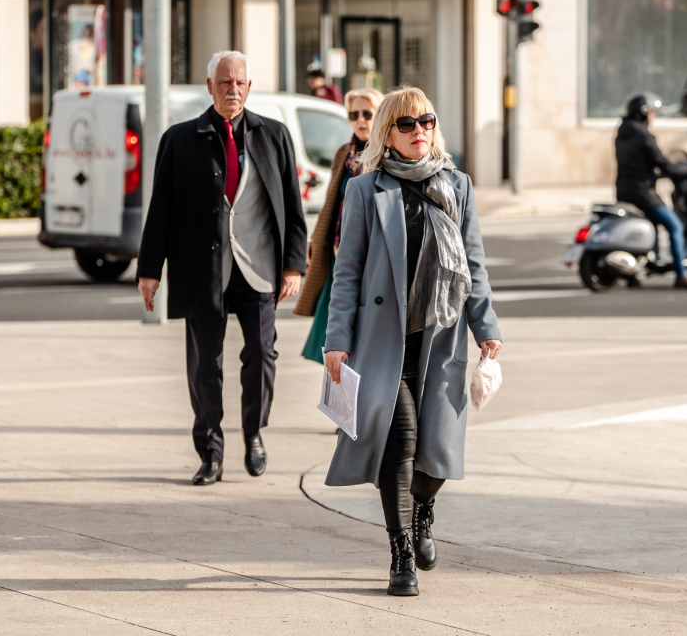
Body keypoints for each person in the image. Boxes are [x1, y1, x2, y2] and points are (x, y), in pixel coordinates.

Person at [322, 87, 502, 597]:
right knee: (398, 446)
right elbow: (347, 272)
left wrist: (486, 328)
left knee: (437, 452)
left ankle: (423, 510)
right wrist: (337, 339)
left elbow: (474, 265)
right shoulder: (365, 189)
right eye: (406, 124)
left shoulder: (458, 186)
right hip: (384, 343)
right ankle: (400, 553)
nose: (419, 130)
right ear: (387, 132)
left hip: (440, 339)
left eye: (426, 121)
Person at [137, 51, 307, 485]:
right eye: (225, 83)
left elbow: (291, 206)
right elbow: (161, 210)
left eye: (240, 83)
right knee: (204, 366)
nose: (233, 90)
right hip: (203, 269)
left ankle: (254, 432)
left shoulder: (275, 136)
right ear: (210, 87)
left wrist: (292, 265)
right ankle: (210, 451)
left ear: (250, 88)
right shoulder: (180, 139)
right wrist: (150, 269)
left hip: (259, 269)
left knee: (262, 355)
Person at [295, 87, 384, 361]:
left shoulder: (387, 154)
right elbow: (331, 204)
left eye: (367, 114)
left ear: (380, 115)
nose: (360, 120)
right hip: (339, 252)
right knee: (333, 331)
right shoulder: (344, 154)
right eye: (353, 114)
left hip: (373, 255)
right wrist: (316, 241)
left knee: (367, 332)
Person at [615, 93, 687, 292]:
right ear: (644, 112)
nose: (653, 115)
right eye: (652, 111)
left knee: (650, 226)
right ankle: (681, 275)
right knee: (675, 227)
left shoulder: (623, 133)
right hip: (642, 193)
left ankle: (636, 272)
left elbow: (637, 165)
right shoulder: (643, 135)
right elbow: (661, 162)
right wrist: (684, 170)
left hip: (623, 191)